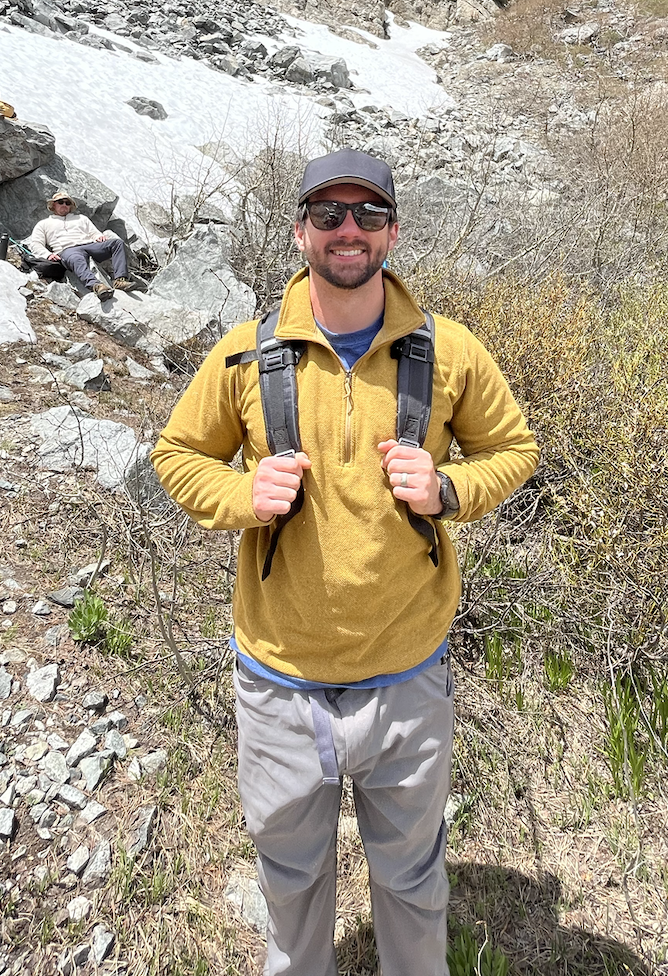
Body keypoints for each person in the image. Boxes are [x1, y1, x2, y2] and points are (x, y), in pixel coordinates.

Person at [151, 148, 539, 976]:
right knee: (290, 883)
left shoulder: (452, 352)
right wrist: (242, 495)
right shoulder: (247, 353)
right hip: (279, 682)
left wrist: (448, 486)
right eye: (328, 214)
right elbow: (178, 454)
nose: (348, 230)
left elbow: (513, 449)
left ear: (394, 231)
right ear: (300, 232)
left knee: (411, 877)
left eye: (368, 213)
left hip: (407, 677)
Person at [29, 189, 134, 300]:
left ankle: (120, 280)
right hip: (67, 250)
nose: (64, 204)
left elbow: (94, 233)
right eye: (61, 202)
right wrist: (47, 255)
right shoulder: (44, 224)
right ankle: (96, 286)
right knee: (76, 258)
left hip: (89, 245)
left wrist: (98, 236)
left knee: (116, 243)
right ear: (53, 205)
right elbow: (36, 243)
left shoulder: (81, 218)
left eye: (67, 202)